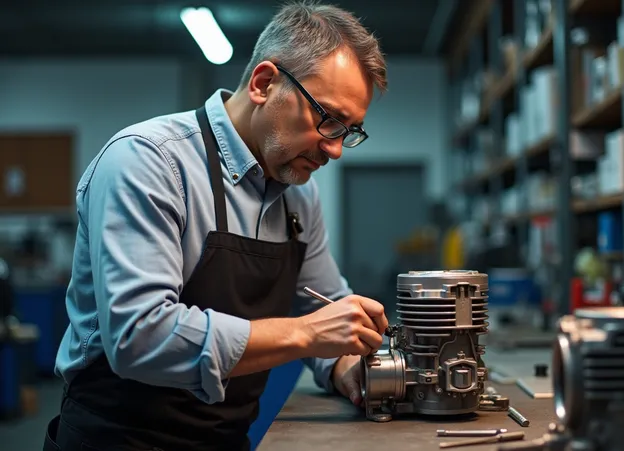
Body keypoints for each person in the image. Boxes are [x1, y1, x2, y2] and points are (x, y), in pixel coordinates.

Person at [42, 2, 389, 450]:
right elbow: (140, 337)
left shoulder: (298, 195)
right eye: (328, 120)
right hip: (117, 440)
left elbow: (321, 307)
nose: (336, 149)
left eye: (350, 131)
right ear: (264, 84)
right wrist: (307, 335)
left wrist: (351, 371)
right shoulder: (150, 163)